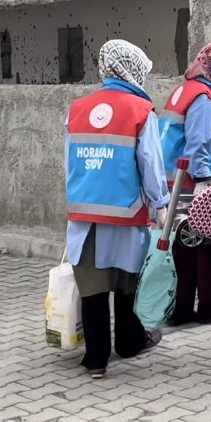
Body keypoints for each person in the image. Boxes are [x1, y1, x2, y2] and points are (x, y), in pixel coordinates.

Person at [63, 40, 171, 379]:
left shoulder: (77, 109)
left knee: (93, 286)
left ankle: (96, 360)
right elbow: (150, 163)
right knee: (127, 282)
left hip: (85, 215)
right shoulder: (141, 111)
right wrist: (160, 203)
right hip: (125, 216)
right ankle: (128, 342)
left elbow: (69, 163)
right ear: (133, 70)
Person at [158, 43, 211, 325]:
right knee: (209, 246)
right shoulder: (204, 98)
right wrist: (203, 180)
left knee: (185, 247)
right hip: (199, 184)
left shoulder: (184, 91)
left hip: (178, 184)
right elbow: (199, 142)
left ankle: (181, 308)